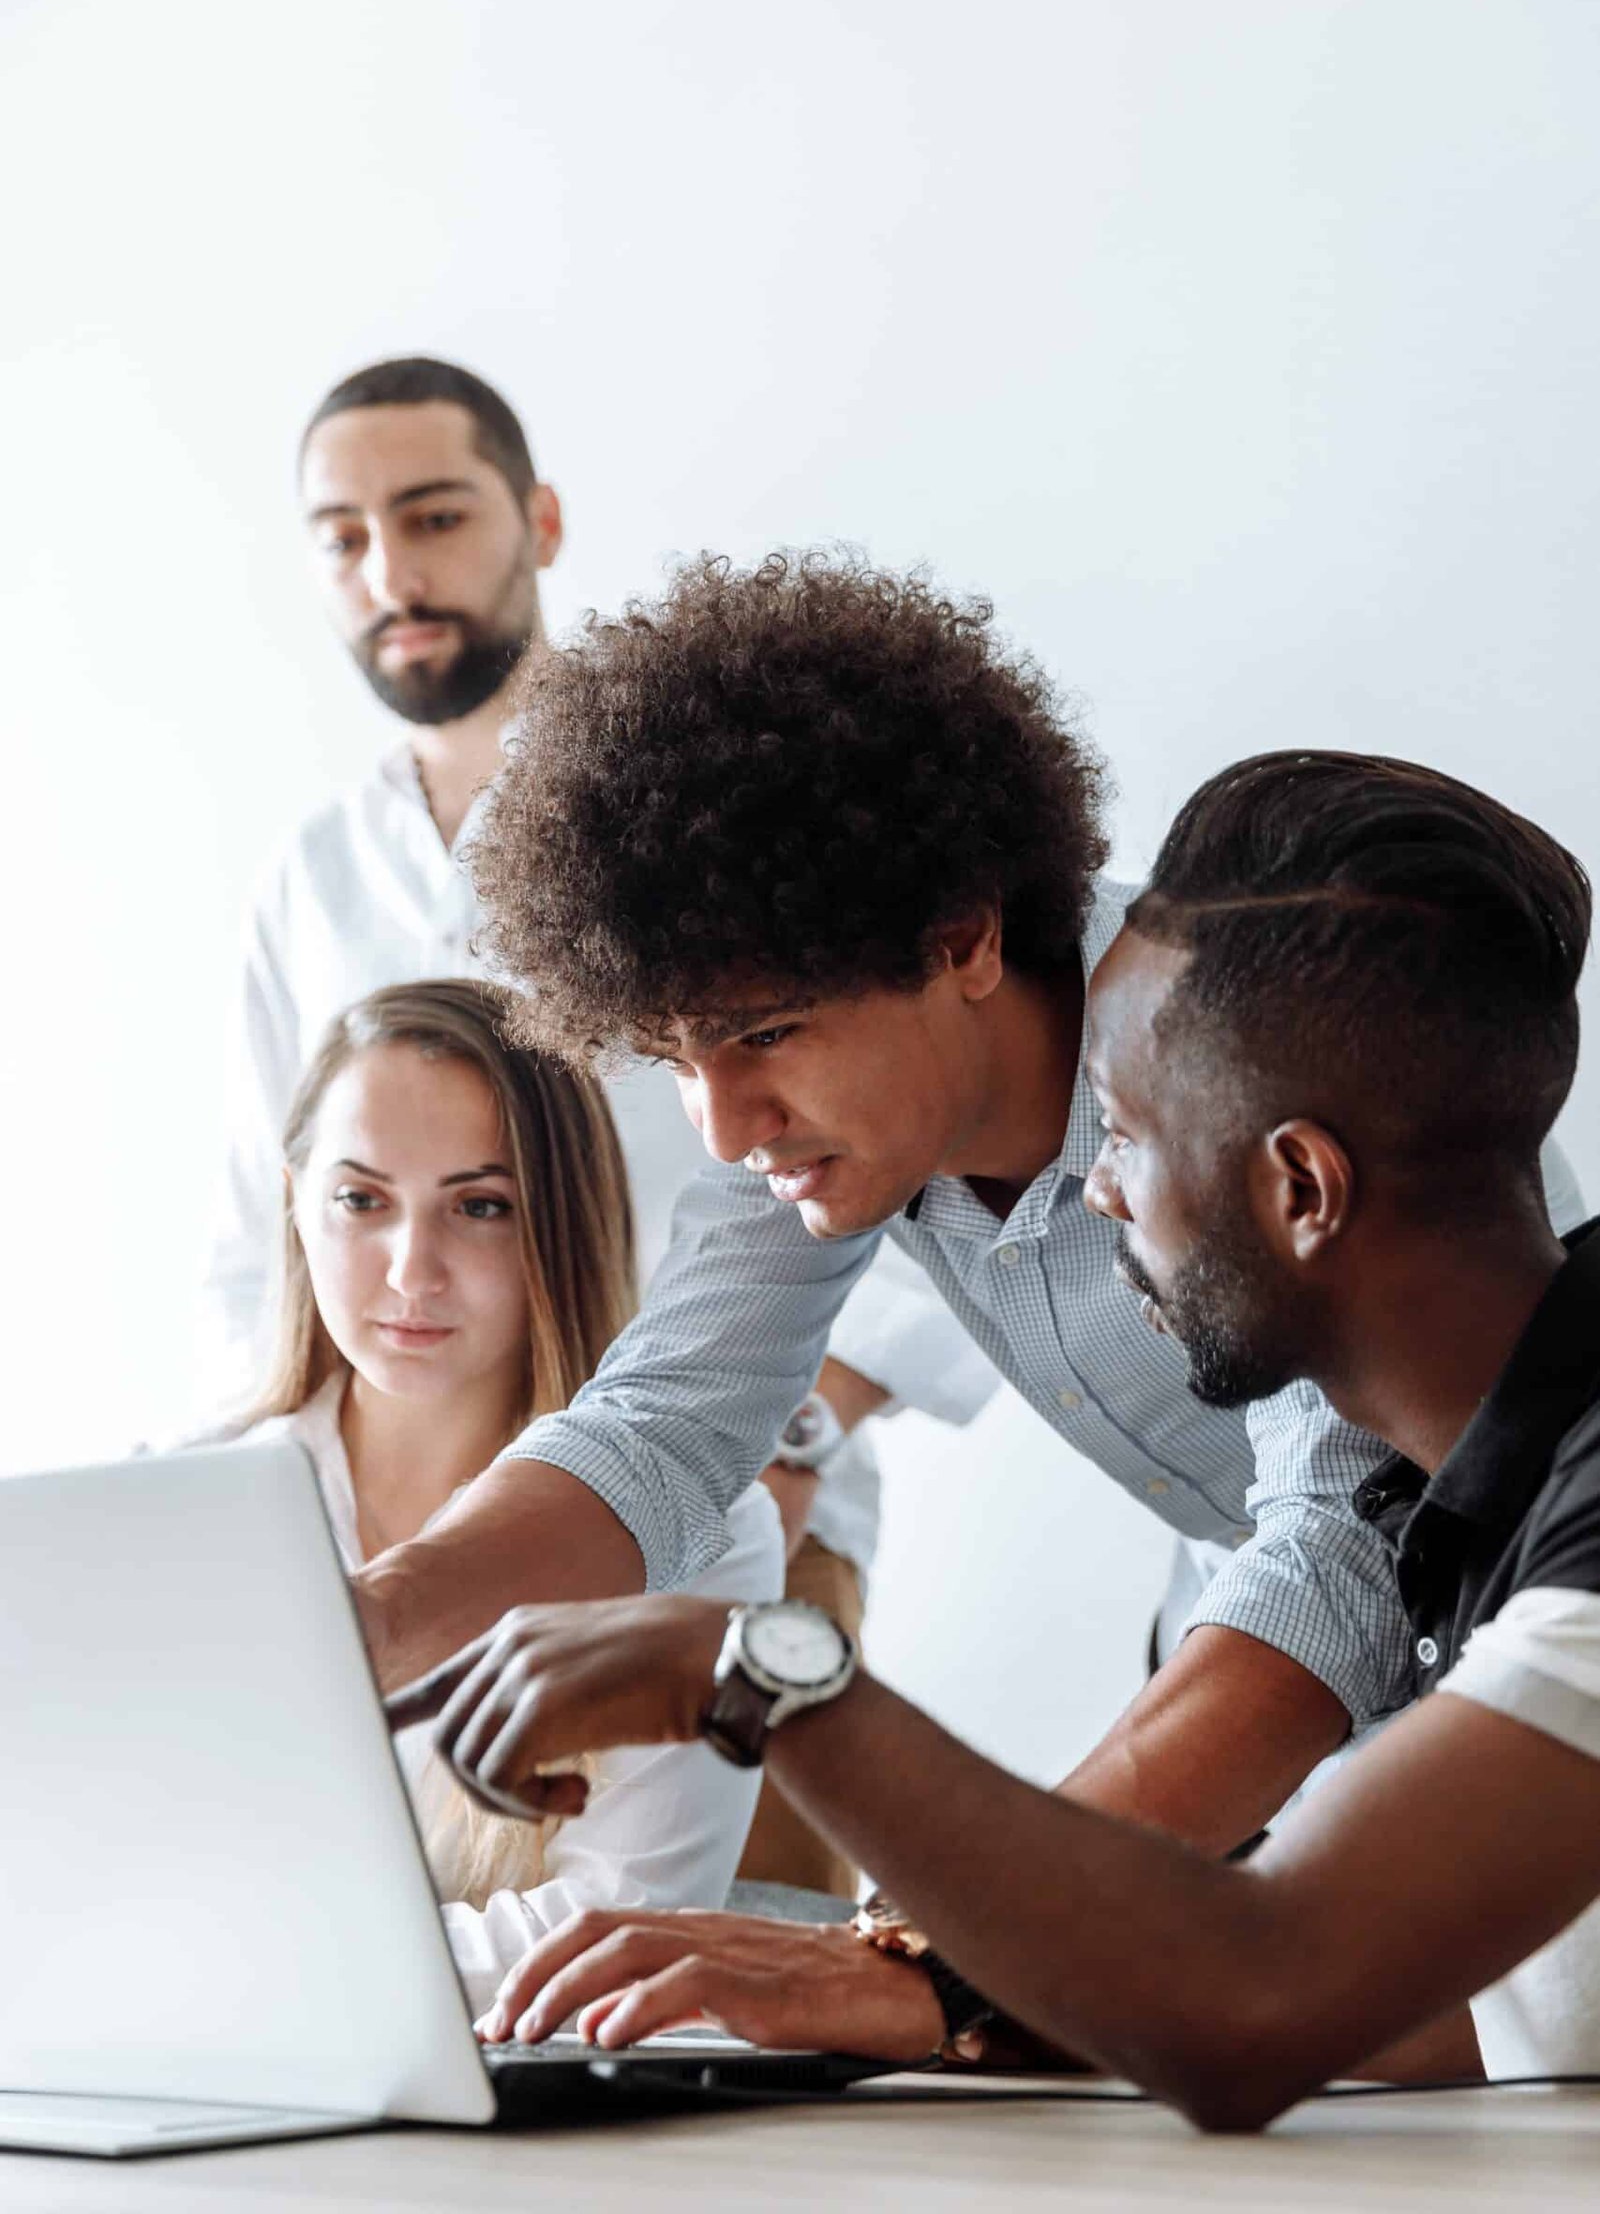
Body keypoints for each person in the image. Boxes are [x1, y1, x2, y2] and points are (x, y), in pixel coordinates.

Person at [391, 751, 1600, 2125]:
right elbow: (1439, 2010)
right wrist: (954, 1981)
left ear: (1301, 1185)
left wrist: (770, 1697)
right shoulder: (1497, 1505)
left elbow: (1278, 1987)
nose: (1085, 1194)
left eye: (1126, 1136)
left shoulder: (1556, 1508)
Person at [350, 553, 1582, 1874]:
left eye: (766, 1034)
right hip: (1249, 1653)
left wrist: (945, 1948)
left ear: (965, 941)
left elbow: (1349, 1535)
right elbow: (666, 1419)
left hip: (1531, 1647)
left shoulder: (1236, 1053)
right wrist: (366, 1622)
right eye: (675, 1058)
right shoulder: (821, 1115)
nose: (725, 1125)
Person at [199, 360, 972, 1890]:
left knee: (723, 1984)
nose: (392, 572)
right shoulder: (316, 872)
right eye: (343, 536)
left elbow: (900, 1125)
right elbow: (255, 1234)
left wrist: (786, 1433)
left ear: (538, 521)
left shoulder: (689, 818)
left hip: (733, 1487)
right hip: (403, 1521)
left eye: (433, 516)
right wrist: (272, 1518)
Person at [212, 977, 783, 2015]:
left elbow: (614, 1934)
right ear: (293, 1199)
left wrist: (239, 1966)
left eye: (480, 1206)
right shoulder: (186, 1503)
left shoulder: (698, 1528)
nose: (411, 1273)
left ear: (565, 1219)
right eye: (360, 1200)